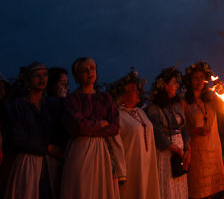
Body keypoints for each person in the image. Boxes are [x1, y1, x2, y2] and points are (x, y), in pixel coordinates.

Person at [60, 57, 121, 199]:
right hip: (80, 148)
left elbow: (115, 127)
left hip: (102, 151)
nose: (89, 72)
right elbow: (78, 125)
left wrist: (89, 129)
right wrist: (100, 123)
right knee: (82, 187)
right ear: (76, 76)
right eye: (84, 70)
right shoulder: (73, 99)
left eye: (92, 68)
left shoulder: (105, 98)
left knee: (100, 187)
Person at [3, 62, 66, 199]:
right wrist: (47, 147)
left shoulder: (52, 105)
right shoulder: (18, 106)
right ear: (27, 81)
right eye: (37, 76)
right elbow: (17, 138)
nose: (42, 78)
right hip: (27, 163)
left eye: (44, 75)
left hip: (50, 164)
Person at [110, 70, 161, 199]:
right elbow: (115, 145)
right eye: (133, 89)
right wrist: (121, 172)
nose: (138, 92)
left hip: (147, 163)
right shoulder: (117, 115)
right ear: (123, 95)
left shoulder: (140, 112)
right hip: (131, 166)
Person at [181, 62, 224, 199]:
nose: (199, 80)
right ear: (189, 81)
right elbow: (181, 129)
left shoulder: (211, 98)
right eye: (195, 77)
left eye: (202, 77)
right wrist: (195, 131)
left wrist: (221, 90)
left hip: (214, 152)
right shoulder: (184, 103)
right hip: (198, 155)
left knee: (216, 193)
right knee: (200, 193)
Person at [146, 67, 190, 199]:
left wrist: (188, 150)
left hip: (181, 154)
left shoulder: (176, 105)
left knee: (180, 188)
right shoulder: (154, 109)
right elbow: (158, 135)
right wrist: (178, 151)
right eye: (174, 83)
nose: (177, 85)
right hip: (166, 154)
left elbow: (184, 128)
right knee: (168, 188)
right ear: (165, 86)